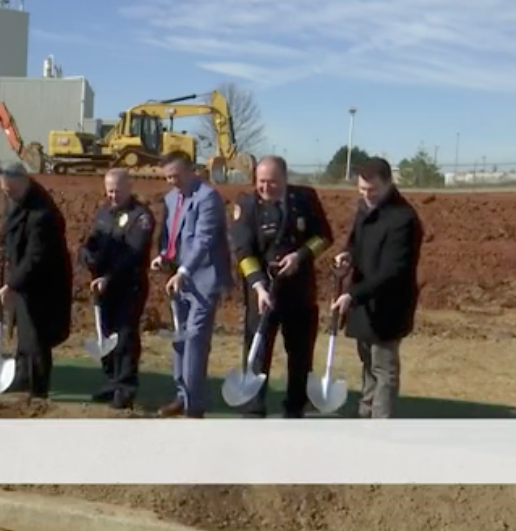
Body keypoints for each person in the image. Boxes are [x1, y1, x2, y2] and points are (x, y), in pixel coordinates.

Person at [230, 155, 334, 418]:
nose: (266, 188)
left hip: (299, 293)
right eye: (261, 182)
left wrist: (300, 256)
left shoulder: (305, 199)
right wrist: (258, 286)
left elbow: (324, 236)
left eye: (273, 182)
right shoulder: (247, 204)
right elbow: (243, 251)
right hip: (262, 294)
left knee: (300, 354)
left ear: (285, 179)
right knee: (257, 352)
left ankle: (295, 407)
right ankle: (253, 409)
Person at [331, 157, 423, 419]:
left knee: (384, 369)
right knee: (368, 364)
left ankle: (381, 428)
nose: (366, 195)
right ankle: (366, 414)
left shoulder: (403, 219)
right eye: (361, 189)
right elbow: (355, 242)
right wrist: (346, 255)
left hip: (388, 306)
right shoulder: (365, 209)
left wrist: (351, 294)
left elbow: (392, 272)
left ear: (388, 184)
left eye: (372, 190)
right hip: (363, 304)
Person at [149, 151, 233, 418]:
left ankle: (195, 405)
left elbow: (203, 240)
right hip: (178, 279)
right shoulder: (172, 198)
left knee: (195, 337)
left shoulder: (208, 197)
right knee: (180, 336)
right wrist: (163, 257)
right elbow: (170, 235)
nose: (172, 181)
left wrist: (184, 271)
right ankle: (182, 395)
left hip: (204, 278)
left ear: (190, 171)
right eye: (168, 177)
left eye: (176, 175)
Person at [0, 162, 73, 399]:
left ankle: (38, 389)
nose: (7, 194)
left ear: (24, 182)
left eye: (11, 190)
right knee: (24, 334)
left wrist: (11, 284)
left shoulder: (42, 212)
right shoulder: (16, 197)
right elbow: (11, 224)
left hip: (44, 281)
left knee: (36, 336)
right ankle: (22, 378)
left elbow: (36, 256)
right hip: (25, 277)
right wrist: (1, 240)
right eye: (4, 190)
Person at [77, 168, 154, 409]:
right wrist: (85, 255)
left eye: (117, 191)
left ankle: (125, 388)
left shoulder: (141, 216)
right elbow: (94, 240)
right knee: (106, 334)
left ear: (129, 187)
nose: (113, 195)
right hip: (103, 286)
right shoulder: (105, 213)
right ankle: (111, 382)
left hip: (127, 285)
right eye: (109, 190)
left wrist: (109, 277)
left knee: (125, 337)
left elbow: (132, 254)